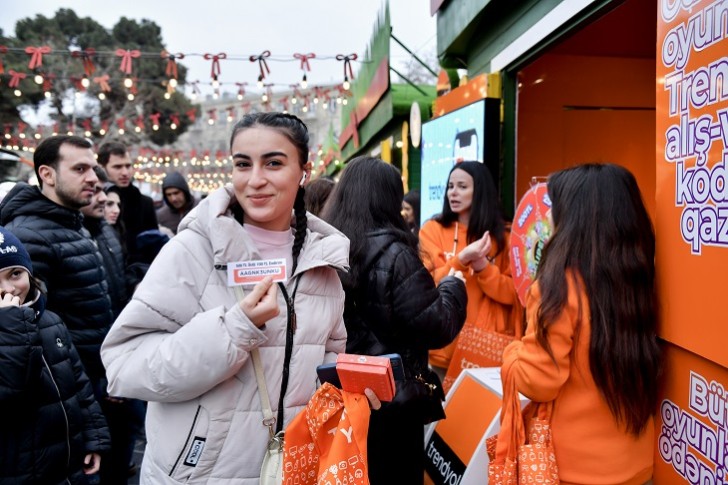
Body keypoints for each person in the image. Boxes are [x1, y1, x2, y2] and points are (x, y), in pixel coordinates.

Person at [100, 112, 354, 483]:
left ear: (304, 172)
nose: (255, 180)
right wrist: (234, 331)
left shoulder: (323, 261)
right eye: (242, 164)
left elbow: (328, 355)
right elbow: (123, 365)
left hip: (291, 469)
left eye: (273, 163)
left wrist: (350, 391)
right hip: (200, 473)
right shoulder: (192, 251)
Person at [502, 164, 660, 485]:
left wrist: (512, 353)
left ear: (573, 218)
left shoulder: (559, 284)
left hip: (575, 469)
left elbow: (536, 380)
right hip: (637, 461)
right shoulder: (641, 276)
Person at [321, 156, 467, 483]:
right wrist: (454, 285)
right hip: (393, 397)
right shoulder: (397, 254)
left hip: (346, 392)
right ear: (390, 198)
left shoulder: (329, 248)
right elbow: (436, 324)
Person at [0, 225, 111, 483]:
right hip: (25, 472)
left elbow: (80, 386)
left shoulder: (51, 321)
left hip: (70, 462)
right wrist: (11, 327)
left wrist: (94, 438)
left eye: (15, 274)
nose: (8, 289)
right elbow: (10, 392)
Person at [419, 161, 521, 390]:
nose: (453, 192)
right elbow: (427, 284)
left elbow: (514, 295)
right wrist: (461, 259)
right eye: (450, 186)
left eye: (462, 186)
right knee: (441, 425)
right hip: (443, 349)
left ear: (480, 190)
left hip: (487, 351)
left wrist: (484, 267)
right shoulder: (432, 229)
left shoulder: (505, 235)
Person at [97, 141, 158, 258]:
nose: (125, 172)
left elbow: (153, 245)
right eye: (117, 167)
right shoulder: (93, 200)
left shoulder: (145, 203)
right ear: (101, 167)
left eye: (128, 166)